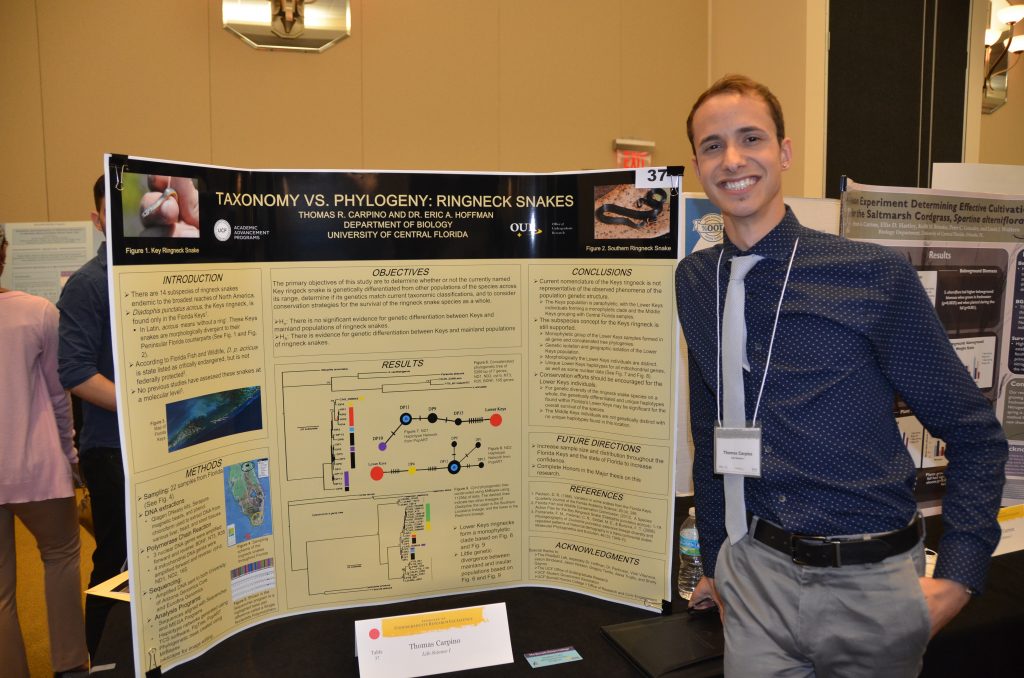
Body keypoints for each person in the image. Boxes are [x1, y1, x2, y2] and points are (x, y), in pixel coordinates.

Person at [675, 75, 1008, 677]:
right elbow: (710, 426)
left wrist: (960, 574)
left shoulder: (870, 275)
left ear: (784, 151)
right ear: (697, 164)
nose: (733, 159)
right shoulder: (696, 281)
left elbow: (975, 434)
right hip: (754, 576)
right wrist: (717, 562)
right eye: (712, 145)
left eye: (751, 137)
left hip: (870, 582)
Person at [0, 225, 90, 677]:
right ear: (4, 252)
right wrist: (71, 458)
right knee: (60, 559)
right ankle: (70, 666)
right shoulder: (37, 313)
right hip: (39, 468)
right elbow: (61, 399)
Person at [57, 176, 127, 656]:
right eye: (113, 214)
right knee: (116, 560)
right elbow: (76, 372)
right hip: (113, 448)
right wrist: (139, 405)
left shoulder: (163, 277)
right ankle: (99, 659)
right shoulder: (87, 284)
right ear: (98, 220)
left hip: (169, 442)